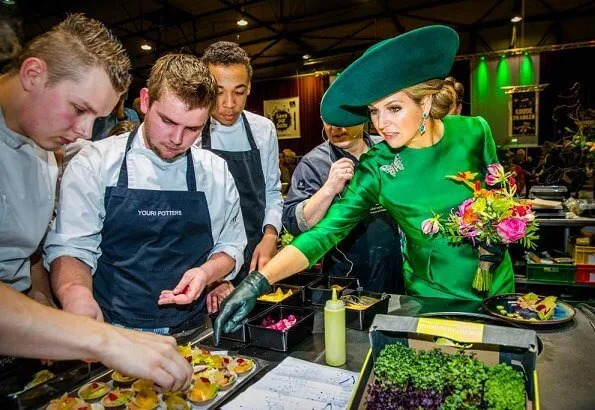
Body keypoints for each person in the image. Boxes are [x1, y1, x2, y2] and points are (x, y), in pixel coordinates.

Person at [214, 25, 515, 343]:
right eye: (374, 111)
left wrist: (501, 233)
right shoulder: (378, 166)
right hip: (433, 298)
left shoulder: (473, 132)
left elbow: (499, 195)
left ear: (424, 103)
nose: (381, 124)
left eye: (394, 108)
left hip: (496, 288)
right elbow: (324, 233)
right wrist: (258, 282)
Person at [0, 13, 191, 391]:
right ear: (33, 74)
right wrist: (99, 338)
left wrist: (47, 303)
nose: (85, 133)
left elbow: (25, 252)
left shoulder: (44, 146)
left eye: (98, 117)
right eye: (79, 109)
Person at [45, 53, 246, 335]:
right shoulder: (96, 162)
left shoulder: (215, 171)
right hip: (114, 330)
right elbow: (72, 248)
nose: (177, 139)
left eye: (192, 129)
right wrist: (76, 297)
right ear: (145, 101)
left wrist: (207, 273)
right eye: (167, 121)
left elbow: (231, 245)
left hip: (194, 330)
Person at [282, 120, 403, 292]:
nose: (336, 127)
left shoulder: (387, 149)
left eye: (342, 118)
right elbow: (294, 224)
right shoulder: (314, 163)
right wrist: (329, 189)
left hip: (398, 272)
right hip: (346, 280)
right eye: (328, 121)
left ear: (361, 117)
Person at [197, 41, 283, 283]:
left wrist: (270, 235)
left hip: (255, 253)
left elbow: (272, 191)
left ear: (249, 89)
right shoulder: (191, 132)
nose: (229, 104)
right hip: (205, 260)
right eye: (218, 91)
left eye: (238, 91)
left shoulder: (263, 130)